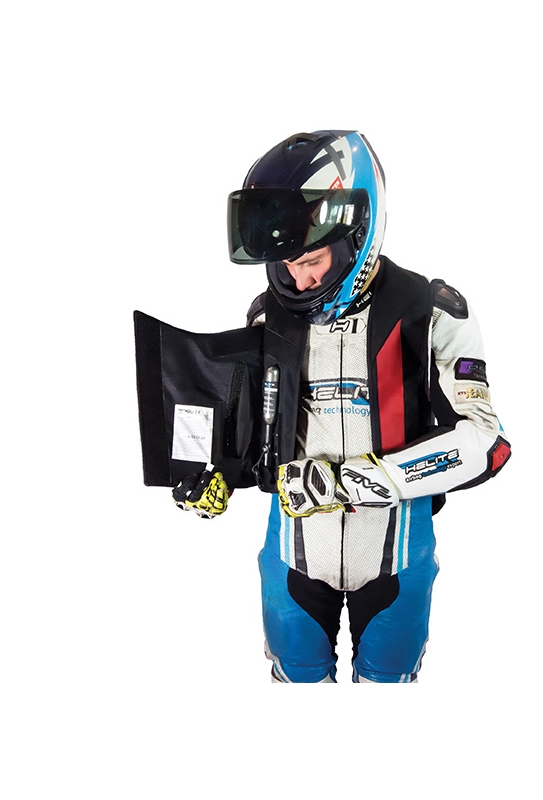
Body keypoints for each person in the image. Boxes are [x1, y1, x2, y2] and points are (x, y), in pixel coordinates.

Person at [173, 130, 511, 683]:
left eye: (311, 259)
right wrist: (220, 477)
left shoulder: (432, 310)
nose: (298, 277)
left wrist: (356, 482)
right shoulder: (267, 316)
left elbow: (485, 444)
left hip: (396, 557)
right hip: (293, 558)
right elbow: (257, 431)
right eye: (285, 263)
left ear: (357, 231)